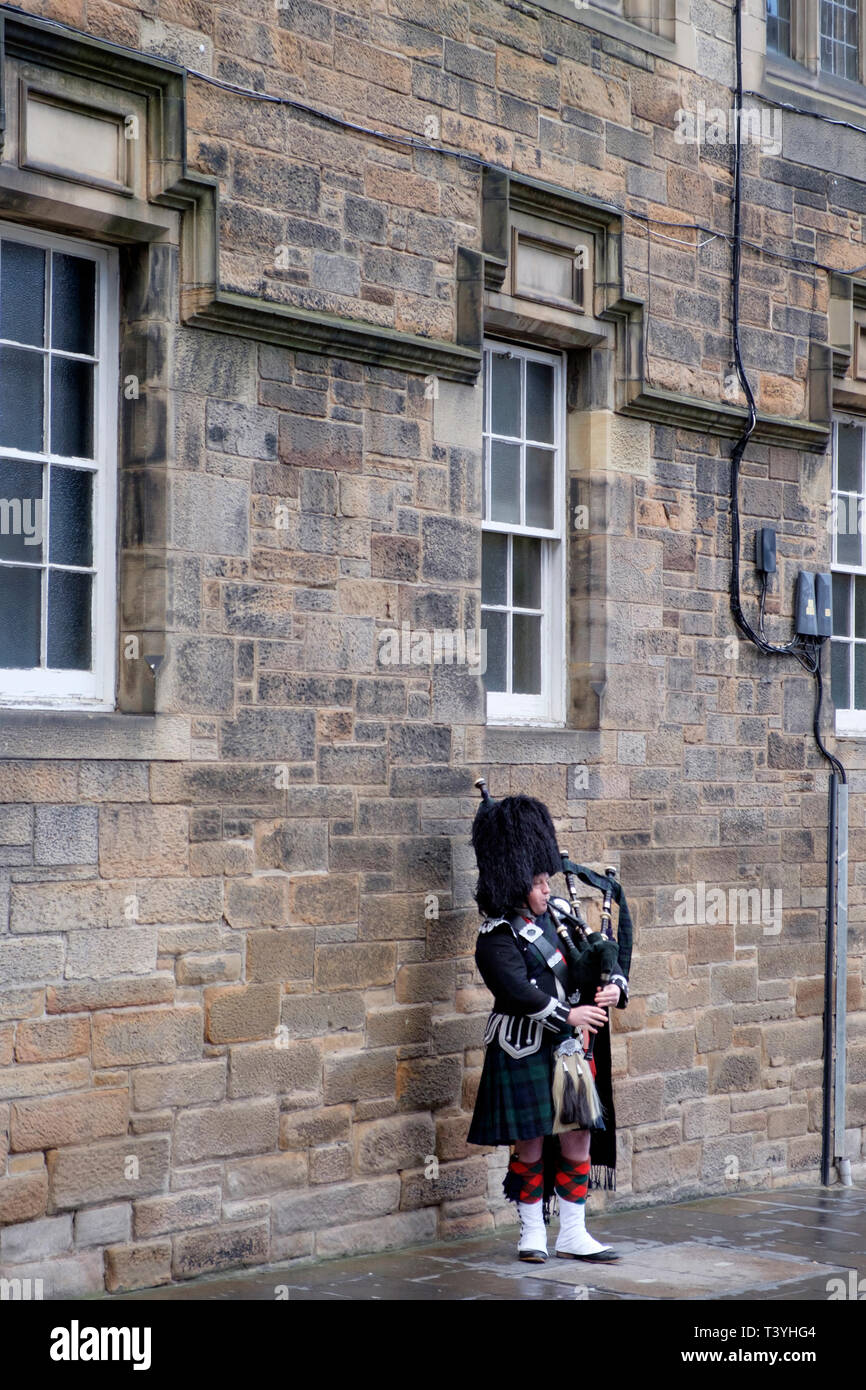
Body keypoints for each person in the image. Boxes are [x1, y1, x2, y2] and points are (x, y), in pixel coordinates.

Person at [466, 790, 630, 1263]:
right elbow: (517, 991)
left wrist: (614, 986)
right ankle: (531, 1232)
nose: (546, 889)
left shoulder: (559, 915)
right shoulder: (496, 935)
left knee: (578, 1131)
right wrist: (571, 1016)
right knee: (532, 1137)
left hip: (569, 1049)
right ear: (516, 883)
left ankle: (574, 1234)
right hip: (525, 1047)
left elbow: (602, 951)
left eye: (545, 879)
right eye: (538, 882)